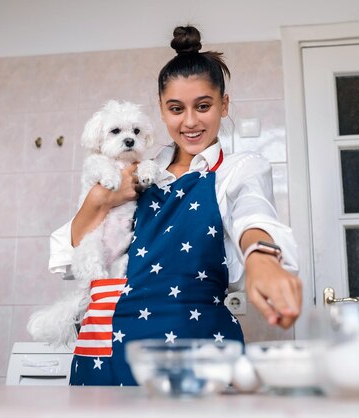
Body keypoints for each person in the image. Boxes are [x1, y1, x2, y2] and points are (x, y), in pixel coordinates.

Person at [48, 25, 302, 386]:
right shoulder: (137, 169)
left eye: (203, 106)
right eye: (176, 109)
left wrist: (262, 258)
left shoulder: (238, 168)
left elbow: (253, 212)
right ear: (161, 111)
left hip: (200, 351)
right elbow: (66, 259)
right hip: (111, 349)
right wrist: (100, 200)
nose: (190, 122)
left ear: (224, 104)